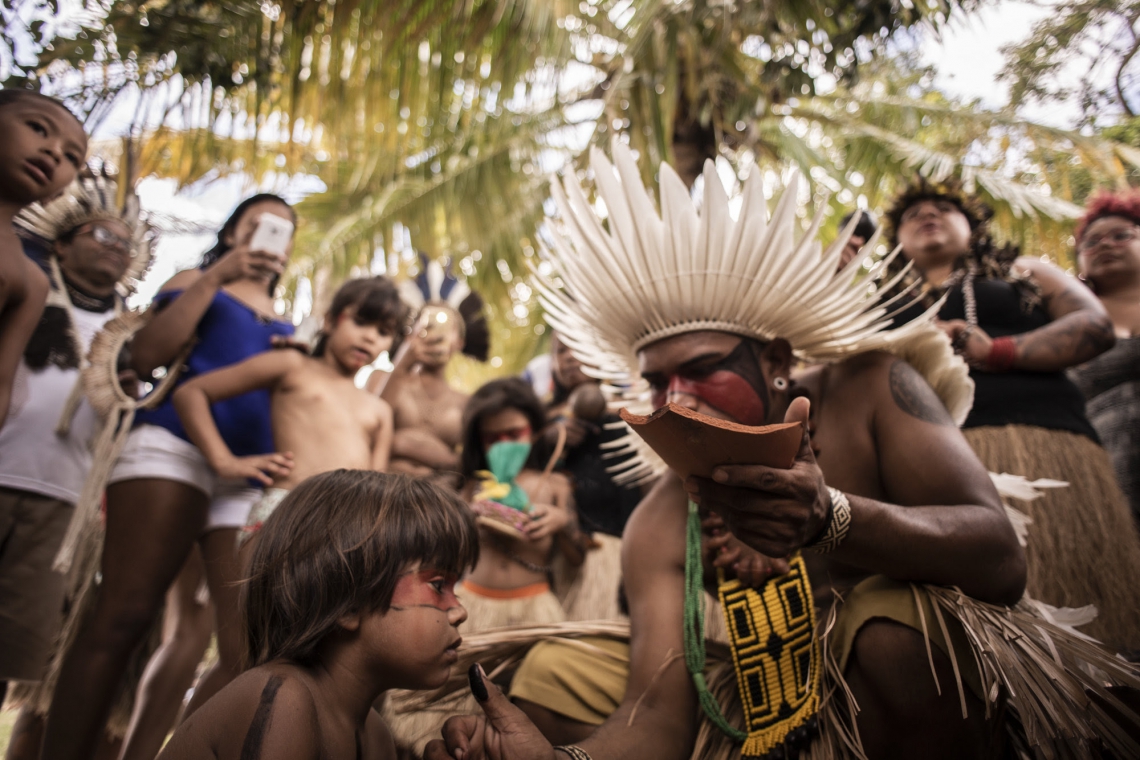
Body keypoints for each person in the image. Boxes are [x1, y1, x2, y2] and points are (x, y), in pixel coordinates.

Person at [424, 143, 1139, 760]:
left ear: (774, 361)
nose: (674, 399)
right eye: (657, 383)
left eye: (701, 368)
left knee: (898, 624)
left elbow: (1000, 558)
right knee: (558, 670)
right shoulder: (663, 517)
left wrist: (830, 518)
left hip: (899, 691)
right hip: (757, 704)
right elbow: (660, 714)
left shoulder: (871, 390)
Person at [40, 194, 297, 759]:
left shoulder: (290, 327)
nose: (271, 238)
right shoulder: (196, 280)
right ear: (234, 234)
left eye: (283, 231)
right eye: (259, 225)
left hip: (248, 478)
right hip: (170, 448)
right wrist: (216, 279)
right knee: (126, 614)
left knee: (245, 648)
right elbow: (147, 356)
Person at [884, 177, 1140, 651]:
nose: (927, 214)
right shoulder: (880, 302)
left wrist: (996, 349)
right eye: (911, 213)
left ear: (972, 228)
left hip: (1049, 447)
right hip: (925, 465)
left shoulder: (1022, 272)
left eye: (943, 207)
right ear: (896, 241)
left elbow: (1094, 325)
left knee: (1094, 626)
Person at [155, 470, 479, 760]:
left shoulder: (373, 733)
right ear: (349, 604)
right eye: (438, 585)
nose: (459, 611)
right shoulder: (283, 700)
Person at [0, 175, 147, 709]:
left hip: (63, 502)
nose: (116, 249)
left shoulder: (131, 331)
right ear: (60, 243)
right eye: (101, 236)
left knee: (10, 645)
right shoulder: (19, 285)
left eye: (124, 243)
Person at [174, 276, 404, 538]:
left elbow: (377, 490)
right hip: (285, 508)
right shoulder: (293, 366)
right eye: (360, 322)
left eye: (383, 332)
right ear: (329, 320)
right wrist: (223, 461)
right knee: (262, 580)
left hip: (346, 528)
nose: (370, 337)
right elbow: (191, 393)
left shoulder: (379, 411)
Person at [458, 377, 580, 632]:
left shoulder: (555, 484)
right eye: (493, 439)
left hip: (534, 608)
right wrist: (464, 520)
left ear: (535, 430)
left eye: (514, 435)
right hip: (473, 606)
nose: (504, 446)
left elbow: (578, 557)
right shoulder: (472, 487)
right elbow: (446, 551)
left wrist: (562, 521)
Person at [0, 90, 88, 429]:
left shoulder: (31, 281)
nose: (53, 151)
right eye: (38, 128)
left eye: (71, 157)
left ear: (59, 191)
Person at [542, 332, 643, 621]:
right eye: (561, 351)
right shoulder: (538, 418)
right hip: (555, 556)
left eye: (579, 347)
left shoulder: (631, 412)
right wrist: (548, 437)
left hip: (615, 551)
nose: (570, 357)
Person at [372, 258, 489, 483]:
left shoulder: (467, 402)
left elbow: (470, 466)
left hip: (435, 502)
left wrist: (403, 443)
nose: (436, 334)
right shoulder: (384, 379)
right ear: (410, 334)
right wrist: (403, 362)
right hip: (382, 490)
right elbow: (370, 425)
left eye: (447, 327)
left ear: (460, 342)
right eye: (428, 324)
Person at [1069, 190, 1140, 523]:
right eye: (1091, 242)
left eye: (1121, 235)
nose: (1105, 245)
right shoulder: (1059, 325)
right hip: (1100, 485)